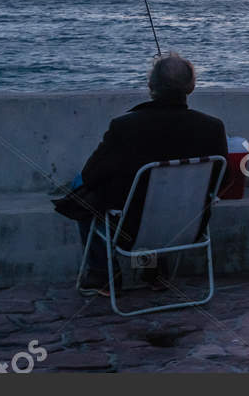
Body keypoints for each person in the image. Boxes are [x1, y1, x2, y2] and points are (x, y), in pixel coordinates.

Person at [56, 54, 228, 295]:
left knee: (82, 189)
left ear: (151, 87)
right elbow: (224, 180)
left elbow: (90, 174)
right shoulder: (213, 127)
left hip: (132, 227)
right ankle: (154, 273)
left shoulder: (124, 126)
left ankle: (103, 275)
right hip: (189, 225)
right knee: (153, 203)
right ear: (191, 87)